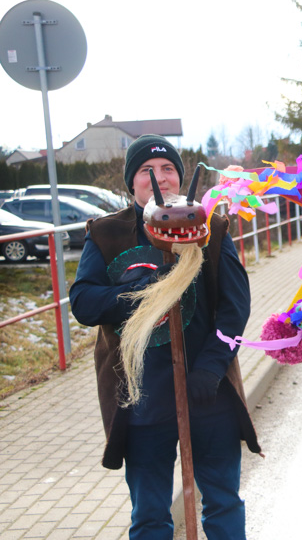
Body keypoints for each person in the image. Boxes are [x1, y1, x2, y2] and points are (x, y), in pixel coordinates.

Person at [70, 134, 260, 540]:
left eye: (169, 168)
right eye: (146, 171)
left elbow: (234, 308)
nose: (160, 178)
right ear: (131, 182)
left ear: (180, 177)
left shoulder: (212, 229)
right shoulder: (107, 234)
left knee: (223, 503)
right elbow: (84, 303)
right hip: (142, 401)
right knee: (150, 515)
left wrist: (210, 369)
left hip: (208, 394)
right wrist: (139, 293)